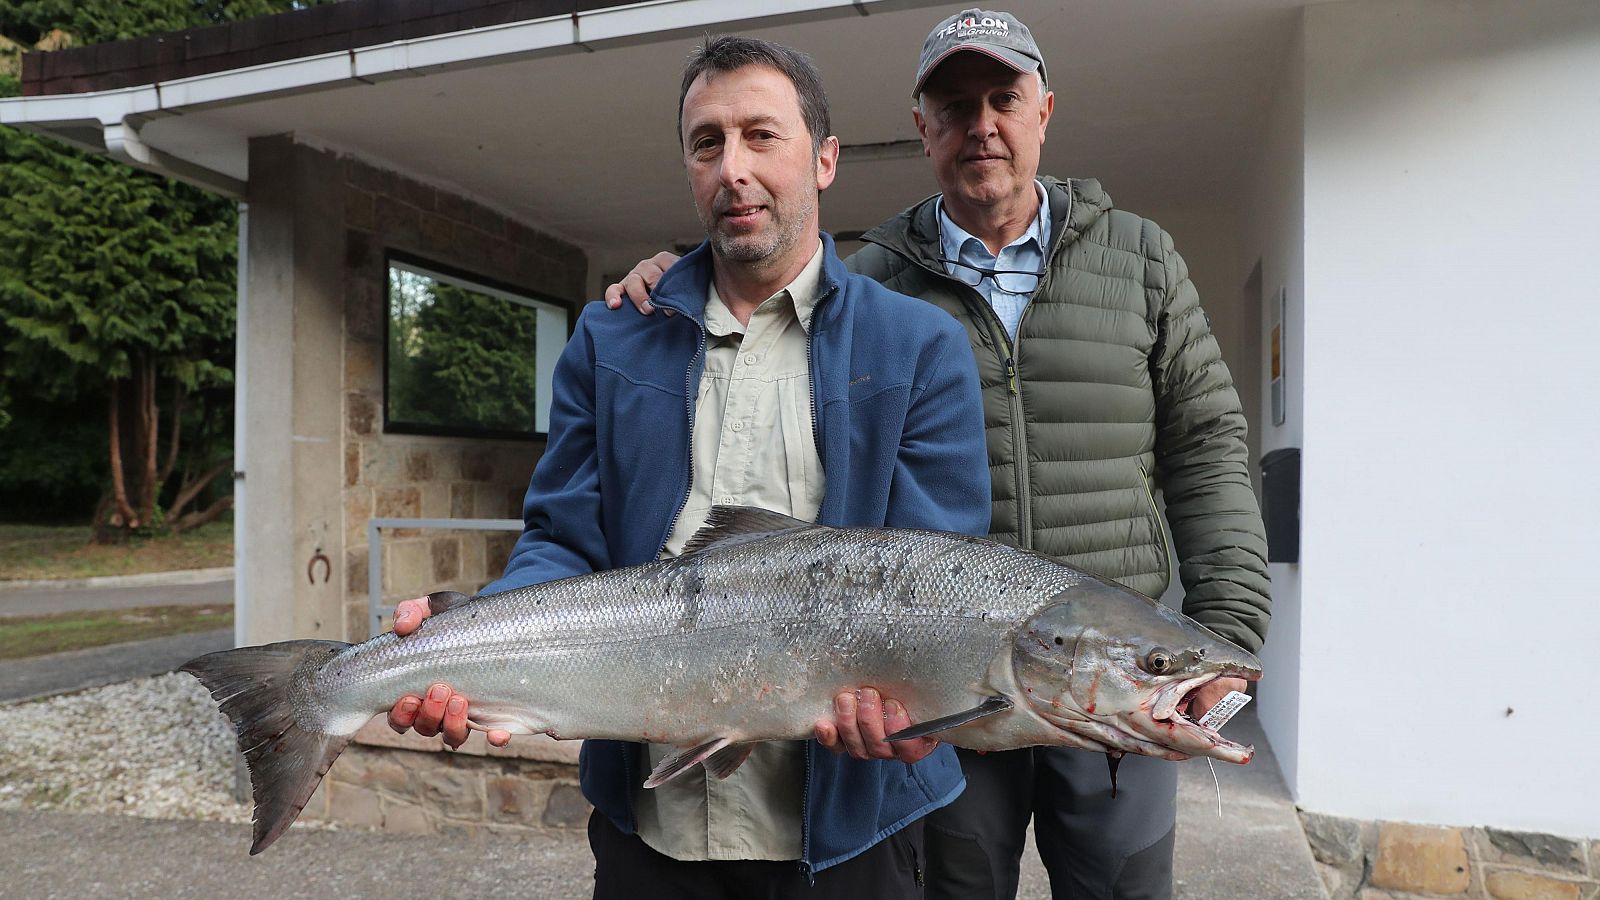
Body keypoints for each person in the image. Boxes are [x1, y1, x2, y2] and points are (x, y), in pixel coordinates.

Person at [602, 9, 1272, 899]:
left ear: (1045, 110)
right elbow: (759, 291)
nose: (982, 125)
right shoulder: (874, 280)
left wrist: (1216, 644)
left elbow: (1209, 450)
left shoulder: (1140, 260)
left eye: (1004, 98)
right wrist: (668, 277)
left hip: (1111, 663)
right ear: (923, 129)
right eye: (954, 107)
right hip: (942, 683)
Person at [387, 35, 991, 897]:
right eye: (707, 143)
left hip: (852, 835)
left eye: (761, 136)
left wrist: (920, 711)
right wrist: (464, 642)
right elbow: (562, 539)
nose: (732, 167)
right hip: (651, 833)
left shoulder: (920, 347)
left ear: (823, 160)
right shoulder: (611, 337)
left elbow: (939, 587)